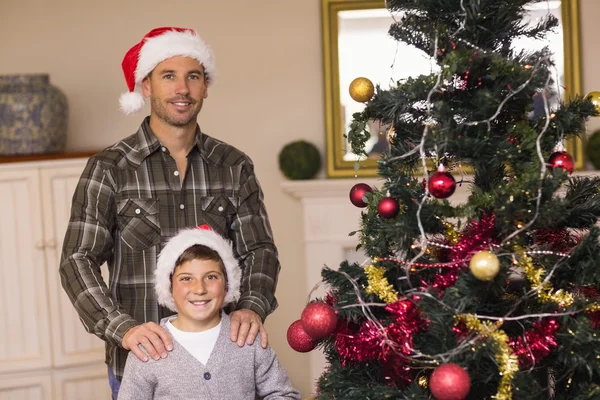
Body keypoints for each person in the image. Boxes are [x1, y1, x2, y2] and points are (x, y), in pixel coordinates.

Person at [59, 26, 281, 400]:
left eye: (193, 76)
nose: (182, 89)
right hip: (141, 368)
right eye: (168, 76)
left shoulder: (233, 165)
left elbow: (260, 250)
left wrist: (251, 308)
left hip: (228, 366)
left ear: (205, 86)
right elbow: (76, 259)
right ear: (146, 86)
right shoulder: (110, 168)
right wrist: (123, 328)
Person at [117, 225, 299, 399]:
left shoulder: (249, 339)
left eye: (211, 277)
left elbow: (283, 394)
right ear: (169, 286)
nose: (199, 289)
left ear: (228, 284)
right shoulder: (147, 349)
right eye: (186, 278)